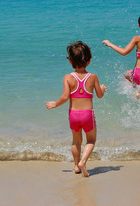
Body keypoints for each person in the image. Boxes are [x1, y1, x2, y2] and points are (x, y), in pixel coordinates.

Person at [46, 41, 107, 178]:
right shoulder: (93, 77)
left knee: (76, 141)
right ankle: (83, 162)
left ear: (70, 62)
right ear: (89, 61)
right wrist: (102, 89)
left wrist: (55, 103)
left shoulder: (68, 78)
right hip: (87, 115)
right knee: (91, 140)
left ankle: (75, 166)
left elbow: (65, 96)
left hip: (73, 114)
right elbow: (99, 95)